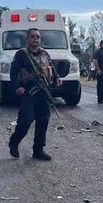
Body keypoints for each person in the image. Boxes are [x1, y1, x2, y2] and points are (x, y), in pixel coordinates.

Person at [8, 28, 61, 161]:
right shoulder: (22, 54)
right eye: (32, 37)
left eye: (38, 37)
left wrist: (56, 78)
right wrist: (17, 87)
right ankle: (14, 142)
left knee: (43, 122)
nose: (35, 39)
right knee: (25, 122)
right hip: (28, 93)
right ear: (27, 39)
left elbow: (51, 68)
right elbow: (13, 72)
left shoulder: (44, 54)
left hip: (43, 93)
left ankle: (38, 150)